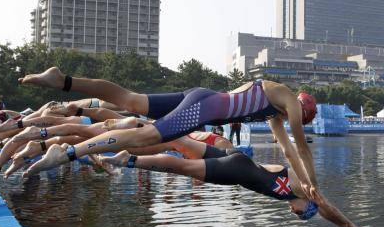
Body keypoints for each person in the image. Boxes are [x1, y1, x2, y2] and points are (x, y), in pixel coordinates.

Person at [18, 66, 322, 201]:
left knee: (131, 100)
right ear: (302, 109)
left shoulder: (274, 110)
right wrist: (314, 186)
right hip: (205, 109)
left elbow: (289, 151)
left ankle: (63, 80)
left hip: (202, 96)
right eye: (299, 119)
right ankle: (69, 152)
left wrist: (305, 182)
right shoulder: (289, 102)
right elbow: (303, 150)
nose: (291, 120)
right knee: (146, 137)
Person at [94, 136, 364, 227]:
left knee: (178, 143)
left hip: (238, 160)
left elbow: (322, 206)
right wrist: (348, 226)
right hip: (235, 170)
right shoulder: (301, 188)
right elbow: (326, 207)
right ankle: (130, 159)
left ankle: (115, 146)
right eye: (302, 213)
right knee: (181, 167)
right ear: (308, 203)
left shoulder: (288, 192)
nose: (295, 213)